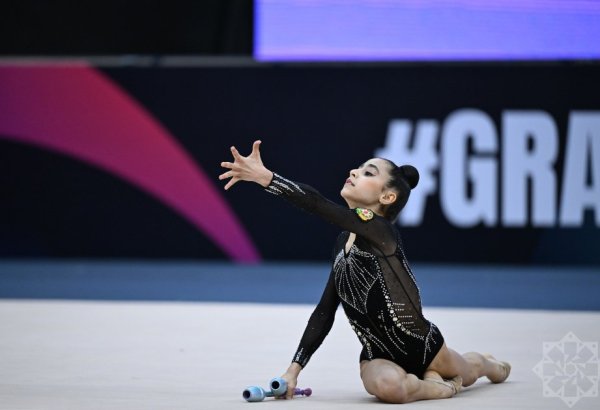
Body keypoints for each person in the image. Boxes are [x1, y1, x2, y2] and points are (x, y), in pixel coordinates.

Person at [219, 140, 511, 404]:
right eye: (358, 168)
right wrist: (292, 371)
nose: (355, 172)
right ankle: (435, 387)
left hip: (425, 346)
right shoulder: (342, 245)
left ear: (387, 197)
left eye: (368, 173)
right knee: (388, 389)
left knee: (471, 371)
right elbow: (324, 312)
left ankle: (484, 364)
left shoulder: (381, 232)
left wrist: (267, 178)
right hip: (377, 356)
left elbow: (317, 204)